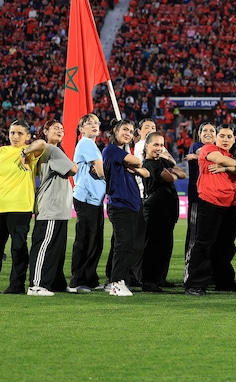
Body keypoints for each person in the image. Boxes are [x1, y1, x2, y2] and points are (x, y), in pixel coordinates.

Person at [185, 124, 236, 296]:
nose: (225, 139)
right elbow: (221, 159)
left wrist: (227, 168)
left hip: (232, 204)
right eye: (222, 135)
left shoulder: (233, 154)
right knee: (204, 244)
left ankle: (224, 281)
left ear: (234, 139)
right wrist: (233, 165)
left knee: (226, 246)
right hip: (210, 201)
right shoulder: (208, 148)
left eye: (229, 136)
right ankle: (195, 284)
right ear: (216, 137)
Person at [0, 120, 38, 294]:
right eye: (12, 133)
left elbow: (42, 143)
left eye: (20, 133)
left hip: (20, 206)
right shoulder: (1, 151)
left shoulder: (31, 153)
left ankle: (17, 284)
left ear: (27, 136)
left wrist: (26, 149)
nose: (15, 136)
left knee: (18, 246)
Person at [22, 120, 77, 296]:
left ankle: (56, 282)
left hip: (59, 207)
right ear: (45, 131)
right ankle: (36, 285)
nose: (60, 130)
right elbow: (73, 169)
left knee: (57, 249)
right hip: (51, 205)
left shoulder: (51, 150)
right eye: (55, 128)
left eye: (62, 128)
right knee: (45, 245)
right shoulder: (51, 150)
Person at [102, 119, 146, 297]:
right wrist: (133, 164)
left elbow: (141, 167)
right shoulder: (111, 149)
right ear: (115, 130)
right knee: (123, 245)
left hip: (130, 204)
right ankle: (115, 282)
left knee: (127, 245)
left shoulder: (120, 152)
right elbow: (137, 161)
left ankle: (118, 280)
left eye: (130, 131)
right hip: (120, 204)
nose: (128, 133)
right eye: (124, 130)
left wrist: (133, 165)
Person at [141, 132, 186, 292]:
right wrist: (172, 171)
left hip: (167, 208)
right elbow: (172, 177)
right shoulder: (149, 164)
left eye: (161, 145)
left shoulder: (162, 161)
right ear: (146, 146)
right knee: (153, 245)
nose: (159, 148)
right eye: (155, 145)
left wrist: (172, 171)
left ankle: (160, 278)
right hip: (155, 208)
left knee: (165, 246)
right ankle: (149, 281)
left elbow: (182, 173)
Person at [69, 114, 106, 293]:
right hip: (86, 197)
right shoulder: (86, 143)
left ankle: (89, 278)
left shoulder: (93, 146)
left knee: (94, 241)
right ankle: (77, 281)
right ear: (81, 129)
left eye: (96, 123)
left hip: (95, 199)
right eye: (88, 123)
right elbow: (100, 171)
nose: (93, 125)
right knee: (85, 240)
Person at [183, 122, 216, 270]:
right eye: (205, 130)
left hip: (214, 198)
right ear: (199, 134)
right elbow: (204, 152)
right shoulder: (195, 146)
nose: (208, 133)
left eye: (212, 130)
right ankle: (189, 271)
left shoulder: (216, 149)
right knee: (194, 236)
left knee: (210, 237)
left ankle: (207, 272)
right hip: (198, 197)